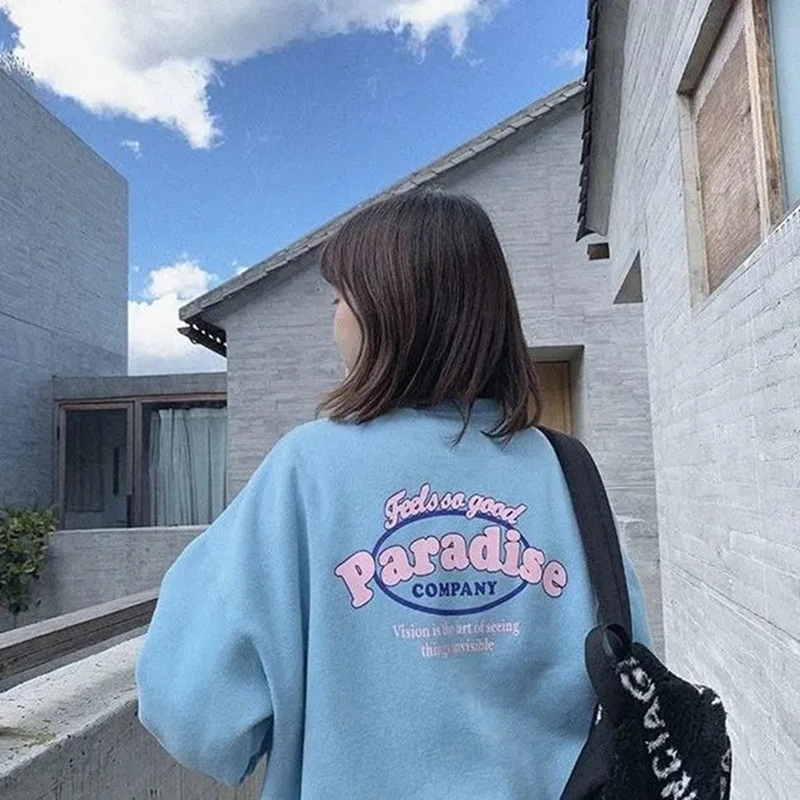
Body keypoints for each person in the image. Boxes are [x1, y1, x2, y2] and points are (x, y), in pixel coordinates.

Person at [136, 189, 651, 799]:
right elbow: (634, 678)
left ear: (386, 310)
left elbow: (193, 714)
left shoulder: (308, 470)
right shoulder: (569, 474)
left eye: (338, 299)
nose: (333, 321)